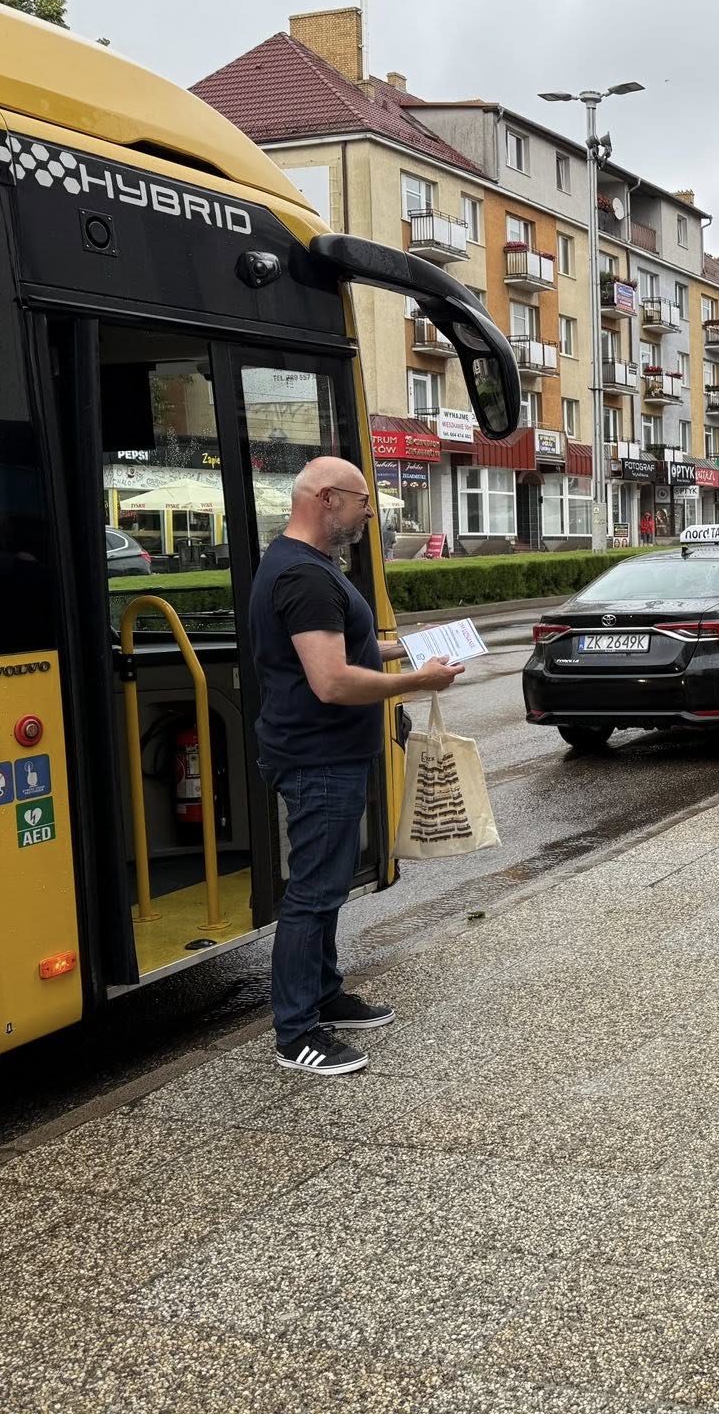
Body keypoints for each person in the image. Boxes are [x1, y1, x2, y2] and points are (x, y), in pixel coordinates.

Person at [250, 457, 463, 1076]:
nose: (369, 511)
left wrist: (409, 648)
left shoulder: (300, 564)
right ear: (325, 498)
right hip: (318, 756)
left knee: (328, 884)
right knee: (313, 893)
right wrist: (419, 680)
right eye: (361, 500)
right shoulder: (305, 576)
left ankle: (324, 995)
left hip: (327, 753)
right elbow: (334, 681)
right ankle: (296, 1032)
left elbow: (340, 647)